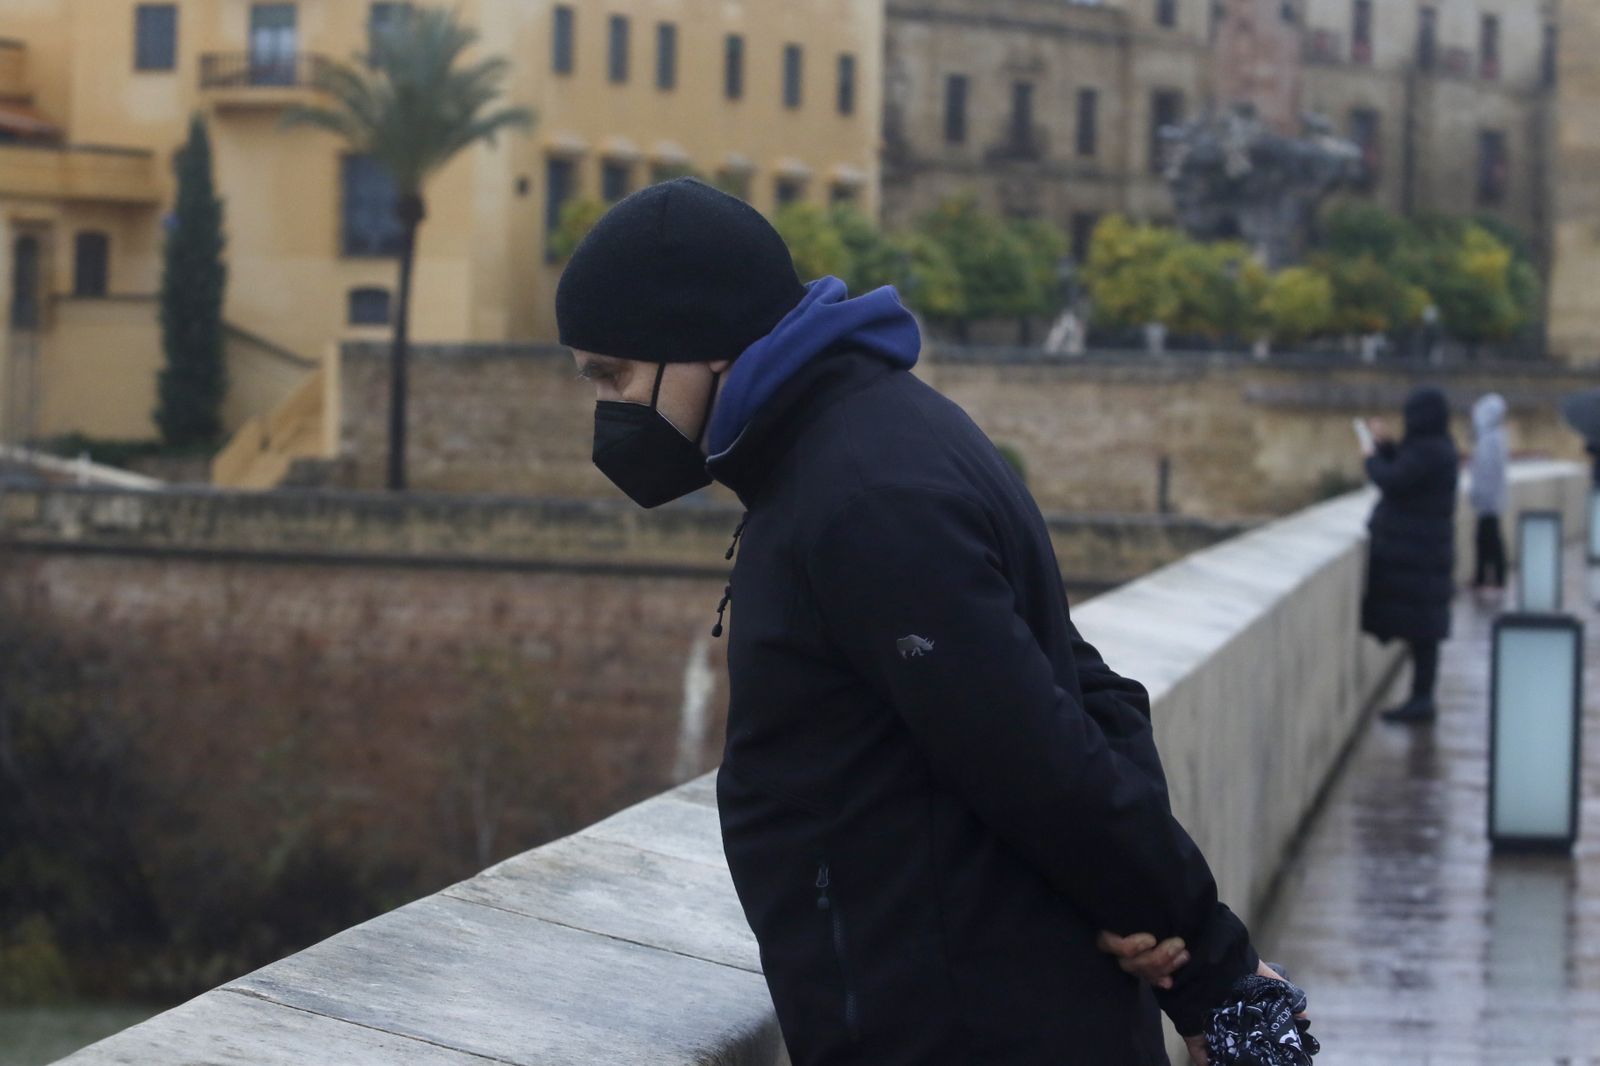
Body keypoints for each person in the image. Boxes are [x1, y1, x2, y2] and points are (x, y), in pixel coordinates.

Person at [557, 178, 1289, 1065]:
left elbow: (1035, 750)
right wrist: (1158, 920)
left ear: (703, 346)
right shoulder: (876, 434)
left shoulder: (858, 495)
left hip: (961, 1025)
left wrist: (1209, 964)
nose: (607, 409)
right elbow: (1088, 689)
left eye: (614, 376)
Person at [1358, 387, 1460, 724]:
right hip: (1425, 551)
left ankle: (1421, 700)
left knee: (1423, 634)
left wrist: (1370, 457)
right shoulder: (1438, 448)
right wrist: (1386, 445)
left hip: (1419, 553)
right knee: (1424, 632)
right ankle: (1421, 698)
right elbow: (1407, 468)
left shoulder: (1428, 451)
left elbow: (1392, 478)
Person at [1469, 393, 1508, 593]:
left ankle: (1487, 577)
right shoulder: (1496, 437)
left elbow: (1485, 470)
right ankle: (1491, 577)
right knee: (1490, 538)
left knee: (1487, 539)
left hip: (1488, 500)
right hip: (1492, 499)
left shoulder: (1489, 439)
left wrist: (1480, 495)